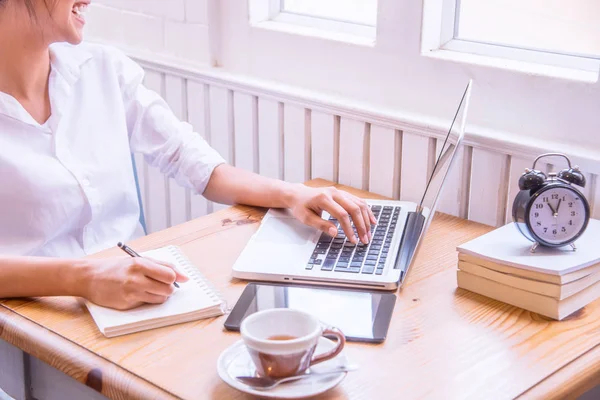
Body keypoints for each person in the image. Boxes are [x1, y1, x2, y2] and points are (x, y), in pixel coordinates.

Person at [0, 0, 375, 310]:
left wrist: (292, 194)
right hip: (27, 316)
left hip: (137, 297)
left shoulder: (101, 69)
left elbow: (191, 160)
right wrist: (84, 277)